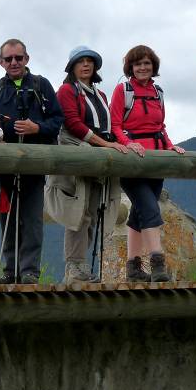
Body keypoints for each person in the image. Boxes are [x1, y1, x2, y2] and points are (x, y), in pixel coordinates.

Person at [0, 38, 63, 284]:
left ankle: (29, 272)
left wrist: (35, 128)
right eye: (8, 59)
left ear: (27, 59)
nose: (14, 62)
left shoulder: (42, 85)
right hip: (4, 165)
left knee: (31, 219)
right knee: (7, 216)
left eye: (18, 58)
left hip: (34, 163)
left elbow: (57, 120)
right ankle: (10, 271)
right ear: (1, 62)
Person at [46, 46, 126, 284]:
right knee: (77, 213)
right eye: (81, 61)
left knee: (90, 212)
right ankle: (74, 268)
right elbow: (73, 123)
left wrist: (117, 144)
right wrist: (105, 144)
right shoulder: (66, 91)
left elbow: (110, 125)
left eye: (90, 61)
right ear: (72, 66)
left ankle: (81, 268)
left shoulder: (99, 95)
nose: (86, 65)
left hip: (98, 159)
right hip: (78, 156)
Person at [110, 45, 185, 283]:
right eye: (138, 64)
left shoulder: (158, 92)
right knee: (151, 209)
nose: (143, 67)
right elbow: (115, 125)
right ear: (130, 67)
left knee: (139, 213)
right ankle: (158, 265)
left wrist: (171, 145)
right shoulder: (123, 90)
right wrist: (128, 143)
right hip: (132, 162)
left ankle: (133, 269)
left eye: (147, 63)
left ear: (153, 67)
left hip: (156, 161)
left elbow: (160, 127)